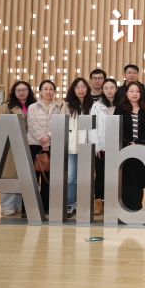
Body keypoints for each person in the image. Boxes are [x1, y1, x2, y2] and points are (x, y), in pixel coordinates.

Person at [0, 80, 36, 216]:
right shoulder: (7, 106)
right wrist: (12, 129)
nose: (21, 92)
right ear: (14, 92)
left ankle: (19, 204)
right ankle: (7, 206)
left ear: (29, 91)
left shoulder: (34, 106)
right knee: (9, 175)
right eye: (18, 90)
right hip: (11, 145)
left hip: (29, 144)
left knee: (24, 176)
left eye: (24, 90)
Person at [61, 78, 99, 218]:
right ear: (73, 89)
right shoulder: (66, 105)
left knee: (86, 177)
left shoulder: (93, 105)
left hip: (87, 147)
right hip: (71, 146)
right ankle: (70, 204)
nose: (80, 89)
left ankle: (83, 203)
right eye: (77, 87)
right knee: (70, 178)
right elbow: (61, 125)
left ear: (87, 88)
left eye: (83, 86)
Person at [26, 80, 62, 215]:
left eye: (51, 89)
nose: (48, 92)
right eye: (45, 89)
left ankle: (46, 206)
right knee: (32, 177)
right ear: (40, 91)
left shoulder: (59, 107)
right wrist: (44, 141)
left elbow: (59, 125)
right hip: (35, 145)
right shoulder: (32, 107)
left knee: (49, 177)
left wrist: (49, 137)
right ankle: (29, 209)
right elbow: (32, 124)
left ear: (54, 91)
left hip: (52, 145)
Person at [114, 82, 145, 210]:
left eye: (137, 91)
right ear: (126, 93)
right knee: (126, 177)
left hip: (141, 148)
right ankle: (126, 206)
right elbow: (118, 127)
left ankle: (137, 205)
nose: (135, 94)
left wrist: (138, 142)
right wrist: (128, 141)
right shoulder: (120, 109)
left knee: (140, 177)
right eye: (132, 91)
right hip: (125, 149)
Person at [90, 78, 118, 215]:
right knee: (100, 175)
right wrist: (97, 146)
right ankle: (98, 201)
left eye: (112, 87)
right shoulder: (97, 106)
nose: (109, 90)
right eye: (106, 88)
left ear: (116, 89)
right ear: (102, 90)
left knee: (115, 175)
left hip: (117, 146)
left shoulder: (122, 104)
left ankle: (113, 202)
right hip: (102, 146)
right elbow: (93, 127)